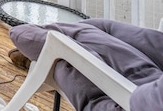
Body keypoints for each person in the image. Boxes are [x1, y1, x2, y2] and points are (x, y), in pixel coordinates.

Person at [9, 19, 163, 110]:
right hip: (151, 83)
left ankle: (40, 56)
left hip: (128, 99)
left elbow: (140, 102)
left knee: (31, 37)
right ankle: (42, 54)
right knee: (95, 28)